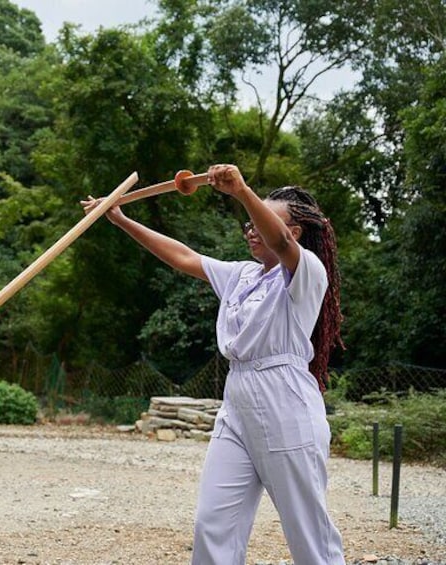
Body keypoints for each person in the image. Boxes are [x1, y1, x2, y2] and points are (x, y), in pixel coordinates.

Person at [82, 164, 344, 564]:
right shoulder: (242, 275)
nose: (252, 229)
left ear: (294, 232)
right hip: (237, 401)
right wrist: (120, 219)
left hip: (286, 401)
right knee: (213, 523)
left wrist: (242, 191)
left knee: (307, 531)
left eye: (265, 221)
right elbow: (183, 257)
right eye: (249, 223)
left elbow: (281, 245)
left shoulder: (308, 272)